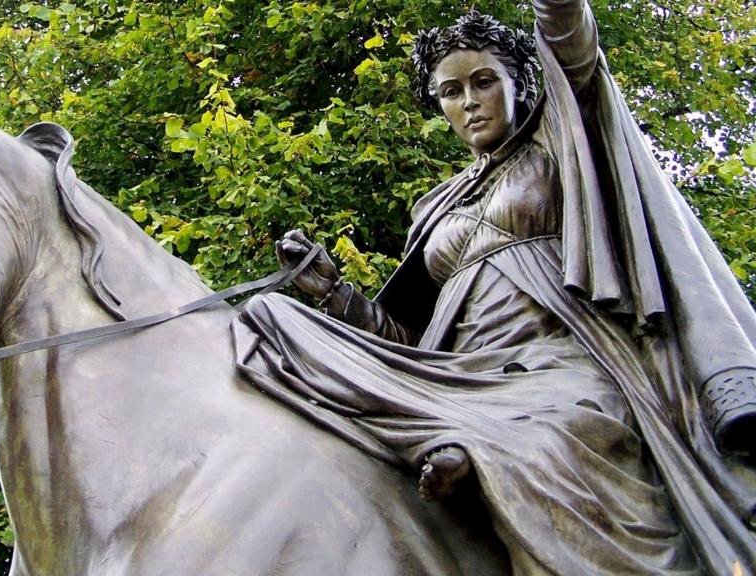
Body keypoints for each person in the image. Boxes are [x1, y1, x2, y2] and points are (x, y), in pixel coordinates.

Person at [232, 2, 756, 573]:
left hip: (556, 366)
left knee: (550, 440)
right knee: (272, 317)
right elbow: (411, 338)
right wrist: (334, 294)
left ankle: (470, 444)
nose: (470, 101)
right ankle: (453, 432)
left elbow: (572, 48)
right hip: (457, 373)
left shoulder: (558, 145)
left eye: (485, 81)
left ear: (519, 83)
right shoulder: (434, 208)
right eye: (451, 91)